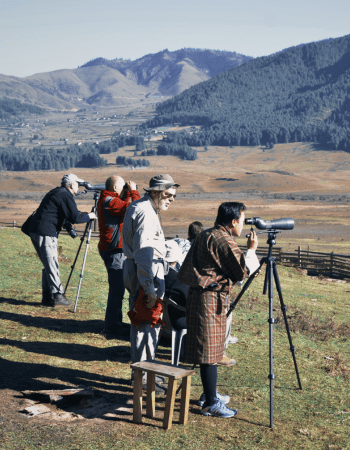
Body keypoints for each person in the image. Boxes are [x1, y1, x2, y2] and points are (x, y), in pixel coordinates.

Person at [177, 201, 259, 418]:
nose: (243, 226)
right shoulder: (224, 240)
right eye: (242, 221)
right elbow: (241, 272)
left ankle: (209, 394)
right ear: (233, 222)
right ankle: (210, 403)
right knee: (208, 353)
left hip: (203, 298)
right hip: (208, 301)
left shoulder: (207, 234)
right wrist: (251, 250)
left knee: (210, 350)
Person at [123, 174, 179, 392]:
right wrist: (149, 289)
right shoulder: (146, 213)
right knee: (145, 326)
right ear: (155, 192)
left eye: (174, 195)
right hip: (146, 274)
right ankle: (144, 379)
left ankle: (146, 374)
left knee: (147, 326)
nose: (172, 199)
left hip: (144, 272)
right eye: (168, 194)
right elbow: (144, 254)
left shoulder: (145, 208)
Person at [28, 173, 97, 307]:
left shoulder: (57, 192)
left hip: (36, 230)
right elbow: (75, 217)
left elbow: (63, 215)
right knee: (52, 264)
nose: (79, 186)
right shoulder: (65, 195)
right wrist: (89, 216)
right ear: (72, 185)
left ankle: (48, 298)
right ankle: (58, 296)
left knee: (49, 264)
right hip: (45, 232)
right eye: (78, 184)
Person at [97, 175, 140, 337]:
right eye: (123, 187)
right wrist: (134, 191)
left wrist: (128, 193)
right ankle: (111, 326)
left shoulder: (110, 200)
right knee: (117, 290)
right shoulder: (110, 201)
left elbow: (124, 208)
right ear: (115, 188)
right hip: (114, 250)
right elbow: (134, 209)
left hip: (113, 249)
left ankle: (115, 322)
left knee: (118, 288)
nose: (126, 190)